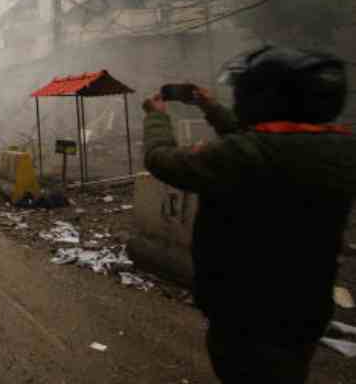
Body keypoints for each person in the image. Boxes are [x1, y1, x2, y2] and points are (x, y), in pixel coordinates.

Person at [142, 45, 356, 384]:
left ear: (265, 99)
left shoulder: (243, 156)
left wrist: (155, 116)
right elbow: (262, 139)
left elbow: (160, 159)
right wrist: (210, 107)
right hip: (306, 306)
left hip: (246, 310)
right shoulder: (340, 149)